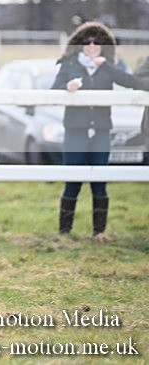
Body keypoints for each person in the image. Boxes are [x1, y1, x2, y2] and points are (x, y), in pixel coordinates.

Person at [51, 21, 140, 238]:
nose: (92, 45)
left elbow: (130, 82)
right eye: (87, 42)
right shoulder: (69, 64)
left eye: (97, 41)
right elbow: (54, 89)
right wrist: (67, 88)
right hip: (75, 132)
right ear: (80, 44)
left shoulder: (109, 66)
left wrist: (106, 66)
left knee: (99, 182)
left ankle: (99, 233)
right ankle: (64, 233)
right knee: (72, 182)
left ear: (104, 45)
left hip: (100, 133)